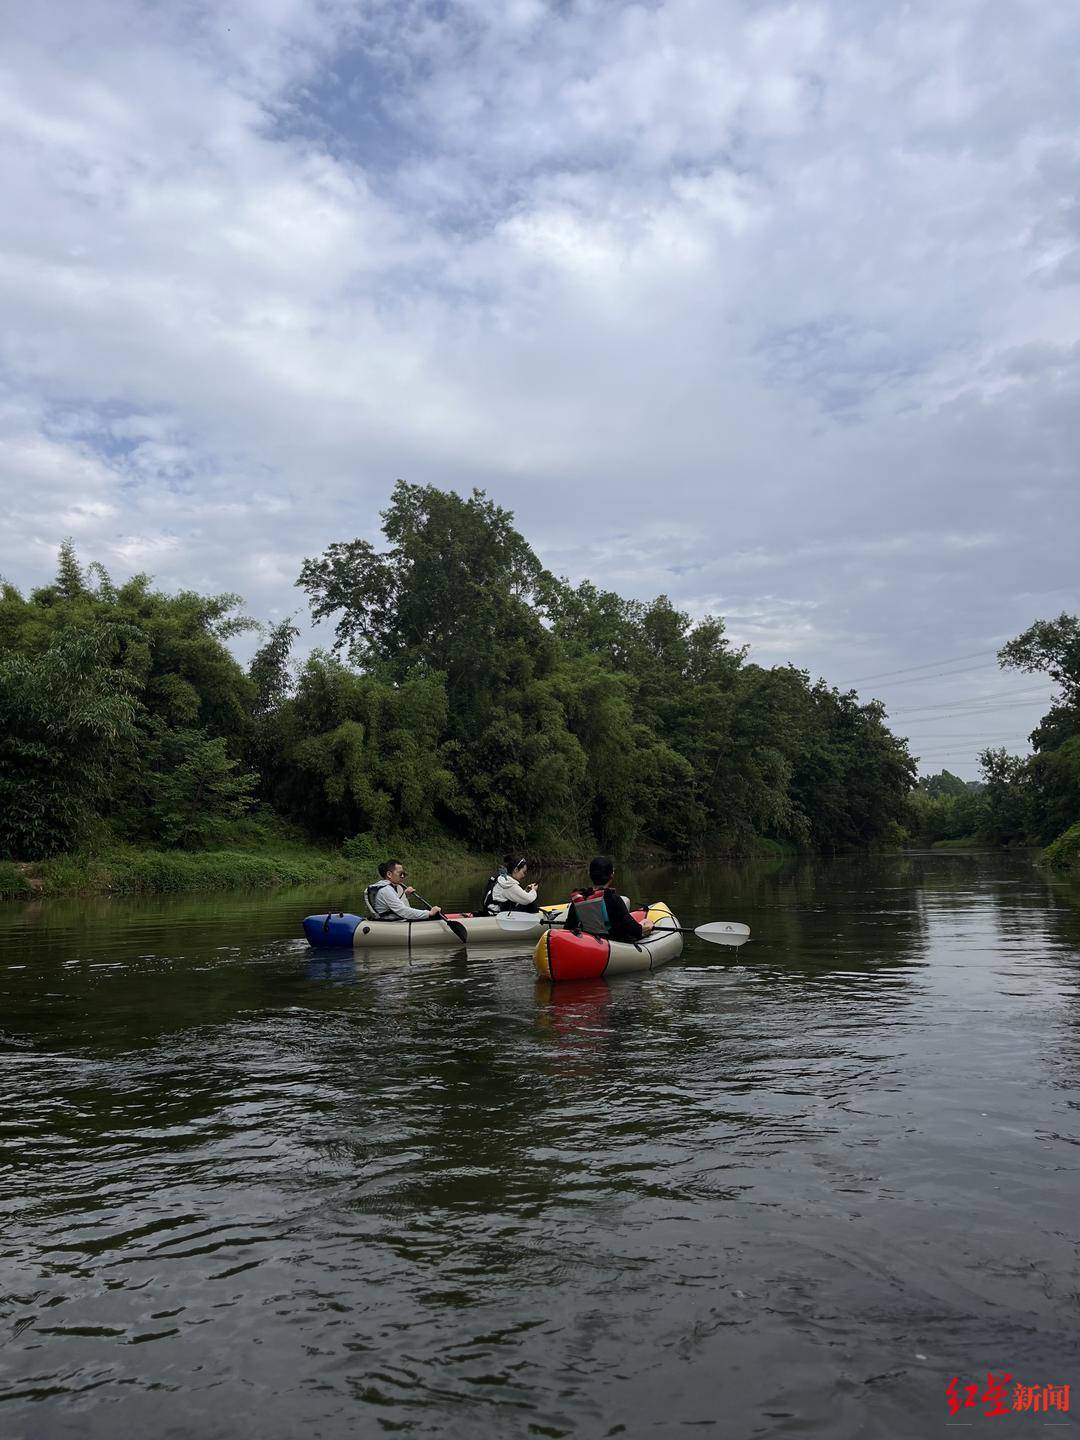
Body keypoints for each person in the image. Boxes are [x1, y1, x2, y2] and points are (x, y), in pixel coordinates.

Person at [565, 856, 653, 942]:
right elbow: (635, 931)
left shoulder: (579, 900)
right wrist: (647, 924)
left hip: (589, 944)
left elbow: (568, 928)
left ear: (590, 875)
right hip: (613, 946)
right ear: (612, 875)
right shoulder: (614, 900)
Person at [366, 859, 442, 922]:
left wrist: (405, 894)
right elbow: (403, 911)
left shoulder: (389, 887)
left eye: (403, 873)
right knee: (433, 917)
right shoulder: (386, 890)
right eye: (400, 873)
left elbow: (395, 905)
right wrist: (429, 913)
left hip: (393, 920)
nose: (402, 876)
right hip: (391, 924)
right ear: (389, 874)